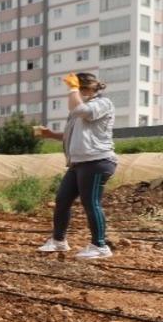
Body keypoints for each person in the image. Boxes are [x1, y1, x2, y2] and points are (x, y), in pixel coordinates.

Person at [34, 72, 118, 259]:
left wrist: (73, 89)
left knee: (91, 203)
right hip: (78, 163)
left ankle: (100, 246)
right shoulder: (83, 105)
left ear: (85, 89)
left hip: (97, 161)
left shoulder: (102, 103)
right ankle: (58, 241)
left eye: (77, 89)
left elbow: (80, 111)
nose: (73, 93)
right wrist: (51, 135)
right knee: (62, 200)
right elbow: (74, 134)